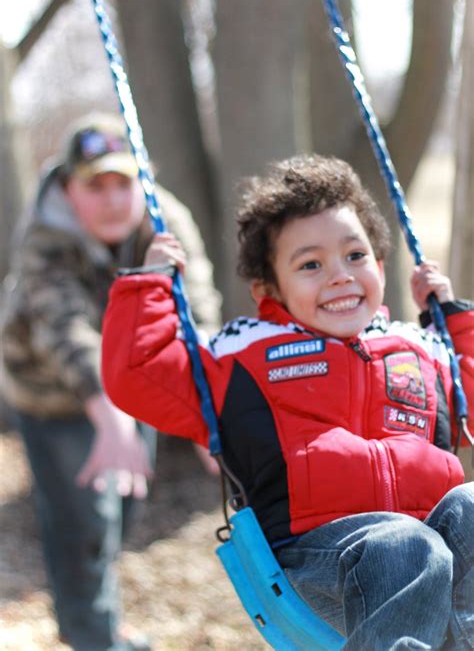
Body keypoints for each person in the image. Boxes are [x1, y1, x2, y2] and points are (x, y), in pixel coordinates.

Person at [101, 154, 474, 650]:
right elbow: (137, 373)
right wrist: (150, 283)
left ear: (380, 266)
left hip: (432, 548)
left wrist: (454, 321)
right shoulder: (242, 356)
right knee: (403, 545)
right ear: (268, 288)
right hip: (319, 562)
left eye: (355, 256)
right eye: (311, 264)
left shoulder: (419, 350)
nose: (339, 275)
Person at [0, 112, 221, 651]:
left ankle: (99, 615)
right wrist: (108, 415)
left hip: (129, 384)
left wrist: (208, 415)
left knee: (120, 510)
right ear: (68, 188)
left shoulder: (165, 220)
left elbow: (195, 312)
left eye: (123, 183)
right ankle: (92, 636)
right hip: (53, 393)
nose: (113, 200)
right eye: (95, 186)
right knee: (81, 519)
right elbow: (66, 332)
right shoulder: (44, 235)